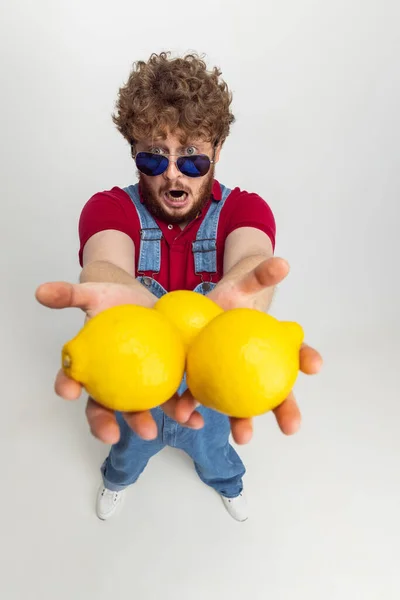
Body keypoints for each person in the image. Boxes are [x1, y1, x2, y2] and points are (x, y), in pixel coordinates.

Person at [36, 52, 322, 523]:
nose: (172, 174)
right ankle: (117, 480)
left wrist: (244, 296)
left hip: (214, 384)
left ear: (219, 149)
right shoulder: (109, 209)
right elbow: (105, 263)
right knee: (127, 449)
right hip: (139, 379)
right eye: (154, 155)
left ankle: (227, 484)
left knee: (216, 452)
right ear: (133, 153)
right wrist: (117, 295)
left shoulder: (243, 210)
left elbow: (252, 261)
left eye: (192, 159)